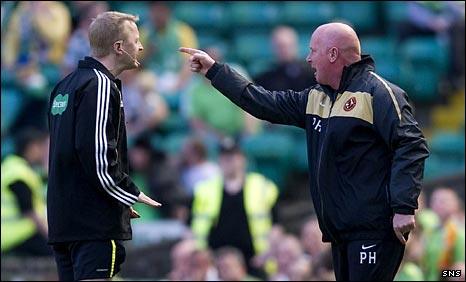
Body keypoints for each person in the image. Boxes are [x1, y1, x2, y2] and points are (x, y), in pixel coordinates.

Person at [180, 21, 430, 281]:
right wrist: (215, 71)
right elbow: (263, 103)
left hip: (373, 229)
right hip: (340, 232)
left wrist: (404, 207)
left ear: (333, 54)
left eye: (313, 51)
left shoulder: (378, 93)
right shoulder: (316, 98)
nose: (308, 58)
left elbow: (411, 145)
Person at [47, 11, 161, 281]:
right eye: (136, 39)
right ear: (118, 47)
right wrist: (128, 193)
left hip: (64, 223)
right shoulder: (99, 84)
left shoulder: (64, 85)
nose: (141, 46)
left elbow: (69, 155)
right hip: (92, 225)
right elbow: (96, 155)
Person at [191, 138, 279, 278]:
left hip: (254, 262)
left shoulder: (262, 187)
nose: (229, 161)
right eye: (224, 157)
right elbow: (194, 229)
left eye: (233, 156)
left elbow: (276, 226)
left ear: (243, 159)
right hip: (216, 264)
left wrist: (267, 254)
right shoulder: (205, 190)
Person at [1, 128, 51, 256]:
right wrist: (49, 236)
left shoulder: (15, 166)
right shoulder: (18, 173)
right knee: (58, 254)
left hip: (15, 233)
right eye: (41, 147)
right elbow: (29, 212)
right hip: (16, 234)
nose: (44, 152)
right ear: (32, 147)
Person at [254, 25, 317, 91]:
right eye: (280, 46)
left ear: (296, 45)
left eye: (287, 46)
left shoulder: (312, 73)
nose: (284, 50)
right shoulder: (265, 78)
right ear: (273, 47)